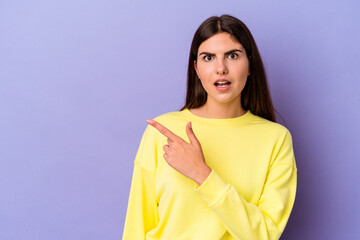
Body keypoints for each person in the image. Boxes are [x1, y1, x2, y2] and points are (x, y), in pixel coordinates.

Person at [122, 14, 297, 240]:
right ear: (196, 68)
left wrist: (202, 174)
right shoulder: (162, 131)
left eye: (232, 56)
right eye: (208, 57)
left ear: (250, 65)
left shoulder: (276, 139)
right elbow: (137, 226)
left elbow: (263, 234)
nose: (221, 68)